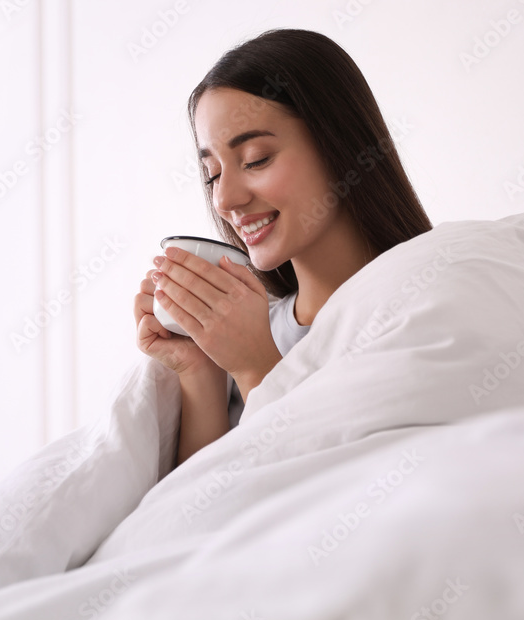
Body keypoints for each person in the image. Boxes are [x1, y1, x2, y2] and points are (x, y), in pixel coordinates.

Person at [133, 28, 432, 468]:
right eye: (213, 174)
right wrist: (200, 369)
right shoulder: (248, 329)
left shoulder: (423, 307)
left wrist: (257, 367)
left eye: (255, 159)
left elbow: (339, 499)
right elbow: (196, 516)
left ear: (341, 146)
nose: (224, 200)